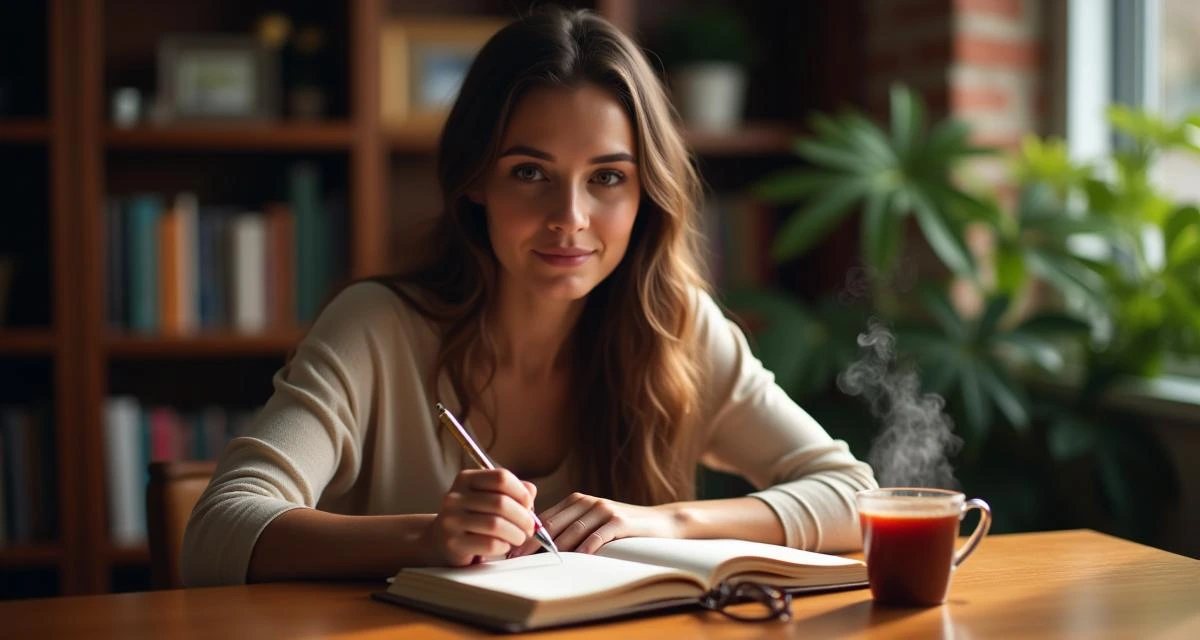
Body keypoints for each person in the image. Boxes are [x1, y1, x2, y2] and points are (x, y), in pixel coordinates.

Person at [181, 6, 876, 587]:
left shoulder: (678, 328)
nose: (569, 217)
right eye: (529, 172)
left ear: (646, 194)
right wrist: (425, 538)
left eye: (606, 178)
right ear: (475, 181)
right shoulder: (378, 329)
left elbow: (855, 496)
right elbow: (216, 531)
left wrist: (665, 521)